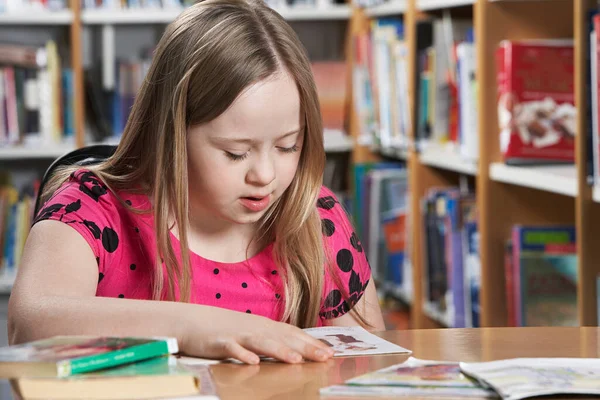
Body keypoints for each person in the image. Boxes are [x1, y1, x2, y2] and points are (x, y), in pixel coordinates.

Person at [8, 0, 385, 365]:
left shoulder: (315, 216)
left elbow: (371, 367)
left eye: (289, 146)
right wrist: (194, 326)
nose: (265, 175)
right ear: (170, 134)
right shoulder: (93, 209)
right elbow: (30, 322)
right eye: (236, 152)